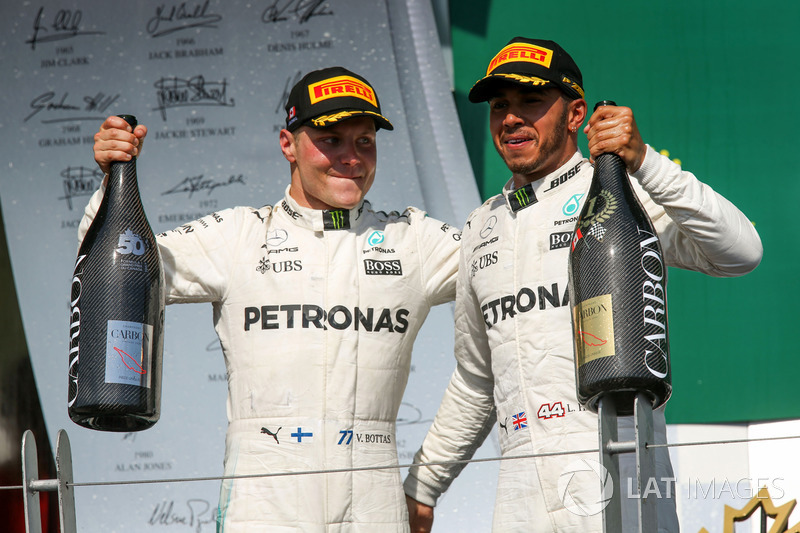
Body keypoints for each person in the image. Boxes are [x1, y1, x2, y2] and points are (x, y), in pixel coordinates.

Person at [403, 37, 763, 532]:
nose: (510, 119)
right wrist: (424, 487)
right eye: (499, 106)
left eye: (531, 102)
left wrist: (647, 163)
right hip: (519, 492)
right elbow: (476, 378)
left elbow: (741, 252)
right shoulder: (480, 227)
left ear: (575, 114)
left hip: (617, 466)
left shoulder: (617, 189)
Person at [82, 66, 463, 532]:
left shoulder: (412, 239)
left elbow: (507, 257)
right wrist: (108, 180)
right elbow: (118, 268)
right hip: (262, 504)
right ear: (288, 144)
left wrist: (571, 178)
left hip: (373, 507)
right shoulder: (239, 234)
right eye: (331, 140)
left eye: (364, 141)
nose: (351, 157)